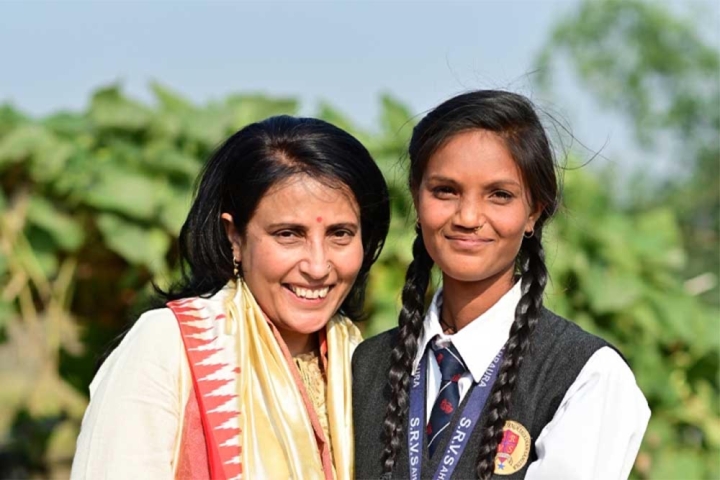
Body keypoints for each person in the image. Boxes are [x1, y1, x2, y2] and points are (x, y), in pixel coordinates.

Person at [71, 115, 390, 479]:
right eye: (288, 234)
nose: (318, 266)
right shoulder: (169, 346)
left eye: (340, 234)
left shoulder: (364, 360)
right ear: (234, 237)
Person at [353, 90, 650, 479]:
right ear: (416, 196)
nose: (469, 216)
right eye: (446, 190)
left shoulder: (587, 376)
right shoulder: (365, 365)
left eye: (500, 195)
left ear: (534, 212)